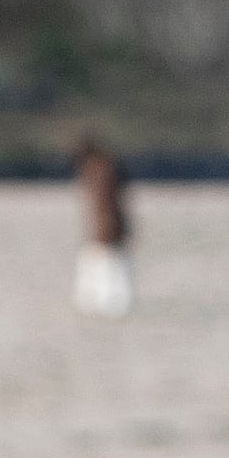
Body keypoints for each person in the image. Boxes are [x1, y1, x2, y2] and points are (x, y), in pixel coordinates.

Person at [74, 132, 134, 319]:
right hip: (108, 226)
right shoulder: (106, 167)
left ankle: (105, 303)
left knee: (108, 266)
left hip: (105, 227)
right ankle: (102, 302)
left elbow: (105, 203)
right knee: (109, 266)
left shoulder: (100, 169)